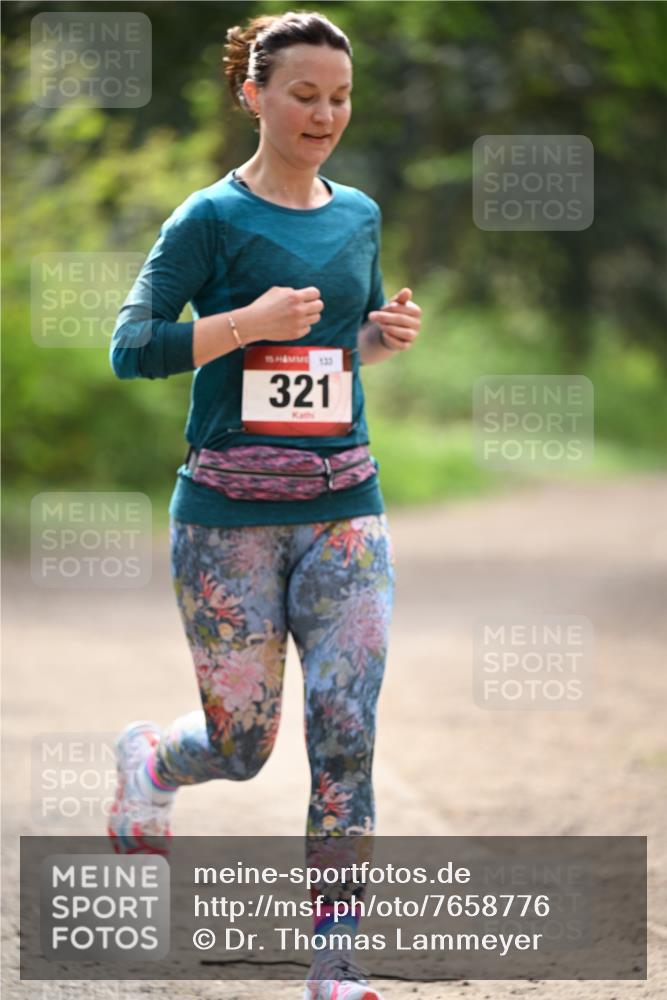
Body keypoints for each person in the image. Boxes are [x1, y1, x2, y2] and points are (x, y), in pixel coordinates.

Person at [108, 10, 421, 1000]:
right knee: (243, 746)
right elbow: (133, 346)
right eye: (304, 94)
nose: (325, 113)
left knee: (346, 729)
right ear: (253, 93)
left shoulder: (358, 212)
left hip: (345, 506)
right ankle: (155, 760)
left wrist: (382, 333)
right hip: (224, 519)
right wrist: (240, 323)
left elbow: (333, 346)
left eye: (339, 96)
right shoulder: (210, 219)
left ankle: (335, 965)